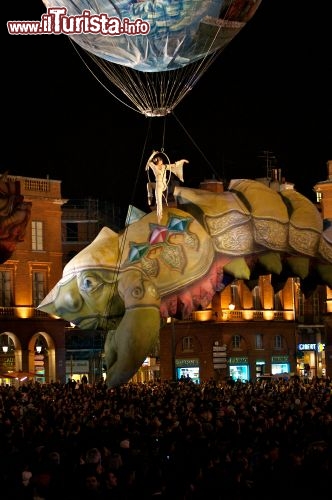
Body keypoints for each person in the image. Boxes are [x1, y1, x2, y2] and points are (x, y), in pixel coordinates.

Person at [146, 153, 189, 221]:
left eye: (161, 162)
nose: (161, 163)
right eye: (160, 162)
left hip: (161, 186)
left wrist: (182, 161)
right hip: (160, 185)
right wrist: (153, 154)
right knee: (149, 184)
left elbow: (174, 165)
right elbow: (148, 162)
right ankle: (150, 197)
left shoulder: (163, 166)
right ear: (157, 162)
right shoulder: (156, 167)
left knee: (159, 202)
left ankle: (159, 215)